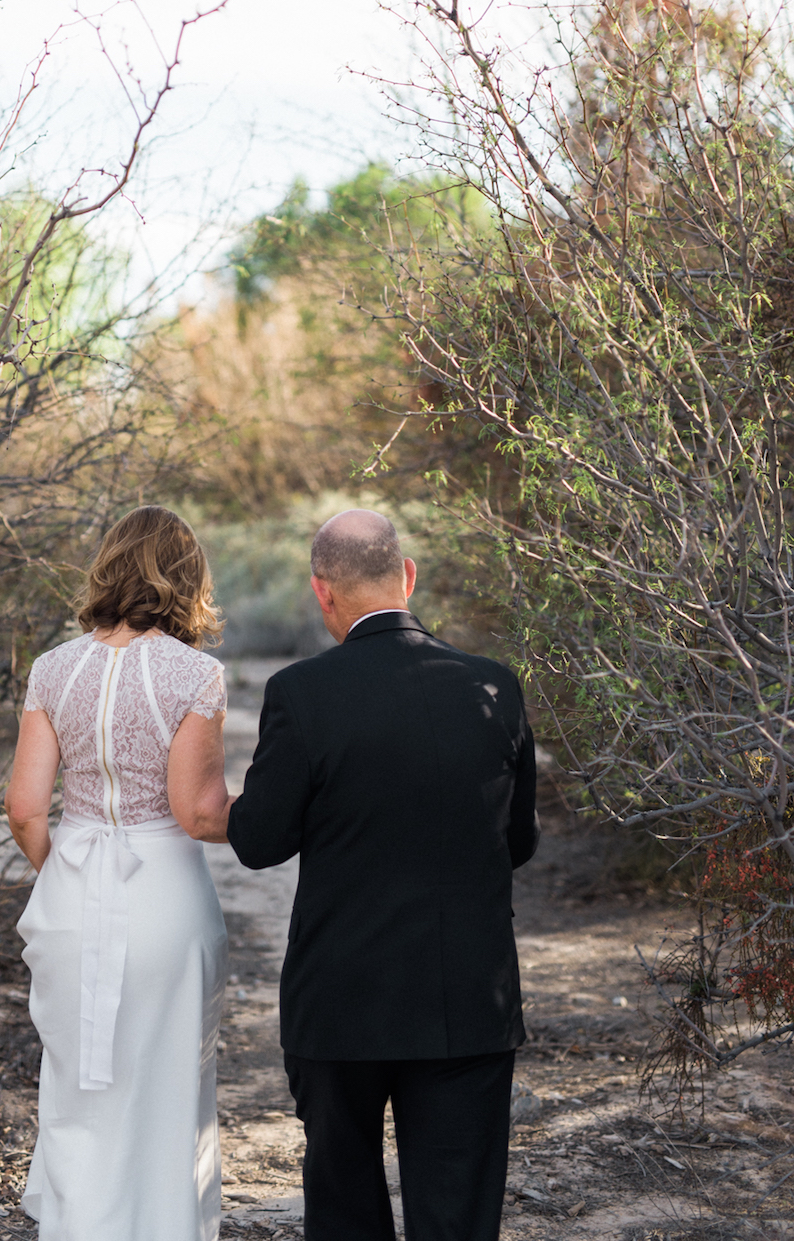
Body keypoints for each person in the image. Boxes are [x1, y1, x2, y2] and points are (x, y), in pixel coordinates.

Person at [227, 508, 538, 1241]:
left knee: (344, 1211)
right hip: (468, 997)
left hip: (341, 1005)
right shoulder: (495, 688)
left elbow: (260, 842)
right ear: (408, 576)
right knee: (458, 1217)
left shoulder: (301, 694)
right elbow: (516, 842)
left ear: (321, 592)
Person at [5, 506, 235, 1241]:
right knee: (167, 1078)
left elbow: (24, 810)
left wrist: (61, 875)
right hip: (162, 892)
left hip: (73, 884)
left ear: (108, 567)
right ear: (187, 578)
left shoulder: (52, 669)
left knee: (77, 1078)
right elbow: (195, 811)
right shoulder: (196, 675)